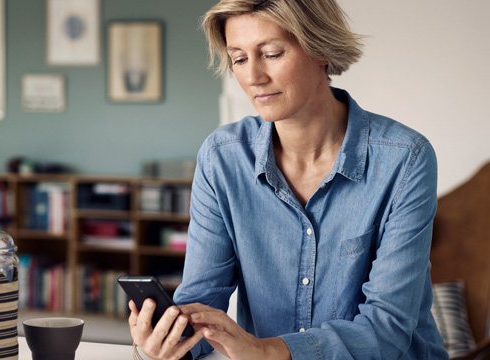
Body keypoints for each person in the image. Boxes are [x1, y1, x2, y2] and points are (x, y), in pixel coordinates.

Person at [127, 0, 448, 359]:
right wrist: (167, 343)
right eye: (239, 58)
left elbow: (386, 329)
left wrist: (264, 351)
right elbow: (203, 302)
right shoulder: (222, 157)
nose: (253, 77)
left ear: (321, 49)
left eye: (272, 53)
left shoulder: (405, 158)